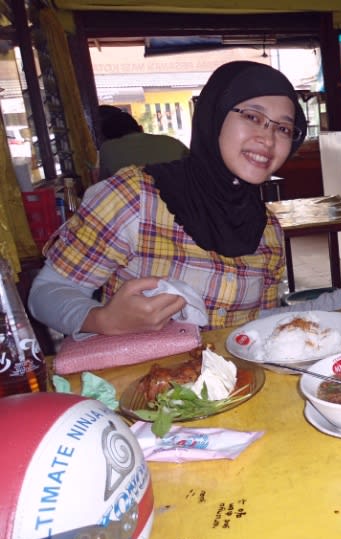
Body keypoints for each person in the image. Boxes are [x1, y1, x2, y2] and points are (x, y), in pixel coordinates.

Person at [28, 60, 324, 338]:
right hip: (140, 387)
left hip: (235, 387)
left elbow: (262, 326)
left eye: (283, 128)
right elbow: (47, 291)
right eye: (252, 116)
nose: (269, 139)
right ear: (214, 115)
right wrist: (101, 319)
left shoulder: (267, 229)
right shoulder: (134, 198)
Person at [97, 109, 190, 179]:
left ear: (106, 138)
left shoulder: (107, 149)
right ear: (141, 128)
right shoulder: (172, 143)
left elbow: (104, 185)